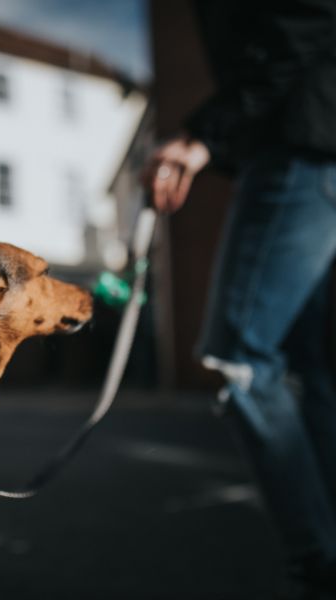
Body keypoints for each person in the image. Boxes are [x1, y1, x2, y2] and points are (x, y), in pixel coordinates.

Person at [142, 1, 336, 598]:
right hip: (305, 146)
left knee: (243, 358)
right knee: (303, 367)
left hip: (299, 150)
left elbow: (303, 26)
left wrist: (201, 135)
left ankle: (319, 564)